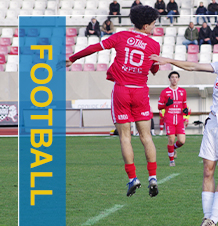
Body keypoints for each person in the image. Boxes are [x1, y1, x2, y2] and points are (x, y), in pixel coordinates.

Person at [150, 43, 218, 226]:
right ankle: (207, 218)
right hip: (211, 126)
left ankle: (214, 218)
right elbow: (192, 66)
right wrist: (168, 60)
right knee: (207, 171)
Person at [66, 5, 161, 198]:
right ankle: (153, 177)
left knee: (125, 137)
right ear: (145, 25)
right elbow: (154, 70)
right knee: (146, 137)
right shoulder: (154, 45)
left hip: (121, 91)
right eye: (152, 24)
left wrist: (73, 58)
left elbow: (94, 47)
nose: (154, 28)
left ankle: (133, 178)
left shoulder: (121, 37)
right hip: (140, 91)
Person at [158, 71, 188, 166]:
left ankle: (174, 148)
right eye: (172, 77)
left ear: (178, 79)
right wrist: (166, 104)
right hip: (169, 118)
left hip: (179, 119)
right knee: (171, 139)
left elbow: (184, 105)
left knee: (182, 141)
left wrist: (186, 113)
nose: (174, 79)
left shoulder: (182, 91)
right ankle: (171, 161)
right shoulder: (164, 92)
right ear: (169, 79)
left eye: (176, 77)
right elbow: (159, 106)